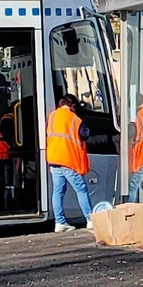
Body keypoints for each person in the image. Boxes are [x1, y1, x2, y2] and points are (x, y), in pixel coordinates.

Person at [45, 92, 94, 232]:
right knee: (81, 189)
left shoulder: (52, 116)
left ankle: (59, 222)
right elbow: (85, 134)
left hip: (53, 159)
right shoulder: (74, 119)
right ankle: (90, 219)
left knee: (58, 191)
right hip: (68, 160)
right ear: (72, 106)